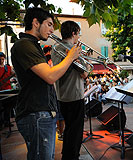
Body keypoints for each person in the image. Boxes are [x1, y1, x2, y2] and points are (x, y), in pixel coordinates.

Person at [11, 7, 81, 160]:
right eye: (49, 24)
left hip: (40, 113)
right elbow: (50, 76)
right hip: (36, 113)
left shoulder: (33, 45)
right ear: (36, 23)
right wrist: (70, 57)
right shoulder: (24, 45)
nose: (52, 29)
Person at [51, 20, 89, 160]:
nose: (79, 37)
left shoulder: (56, 47)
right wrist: (81, 57)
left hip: (62, 96)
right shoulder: (70, 49)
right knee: (75, 132)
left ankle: (66, 155)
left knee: (69, 130)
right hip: (74, 96)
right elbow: (85, 73)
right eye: (78, 34)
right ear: (74, 33)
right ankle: (72, 157)